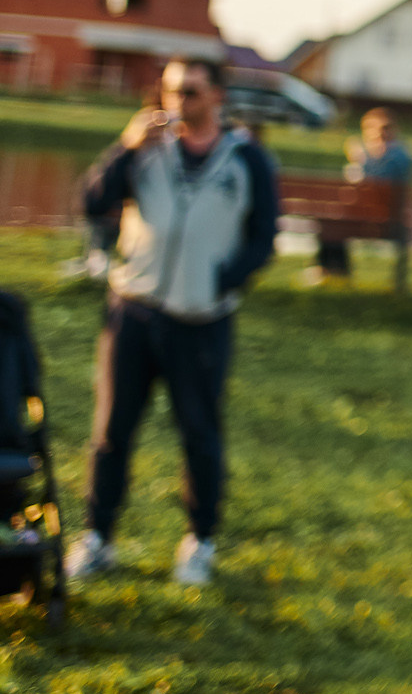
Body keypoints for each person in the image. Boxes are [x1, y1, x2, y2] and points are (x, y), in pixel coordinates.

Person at [66, 56, 281, 588]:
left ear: (217, 98)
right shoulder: (146, 150)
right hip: (133, 313)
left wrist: (222, 281)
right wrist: (125, 146)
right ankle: (98, 538)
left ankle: (199, 542)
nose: (176, 103)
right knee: (111, 433)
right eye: (169, 92)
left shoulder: (247, 159)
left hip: (201, 321)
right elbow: (92, 202)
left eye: (189, 92)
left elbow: (263, 238)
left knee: (199, 435)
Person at [309, 107, 412, 283]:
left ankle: (333, 270)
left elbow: (372, 187)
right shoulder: (401, 155)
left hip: (381, 221)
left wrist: (360, 159)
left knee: (331, 222)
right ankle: (334, 269)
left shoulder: (393, 157)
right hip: (374, 218)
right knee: (331, 220)